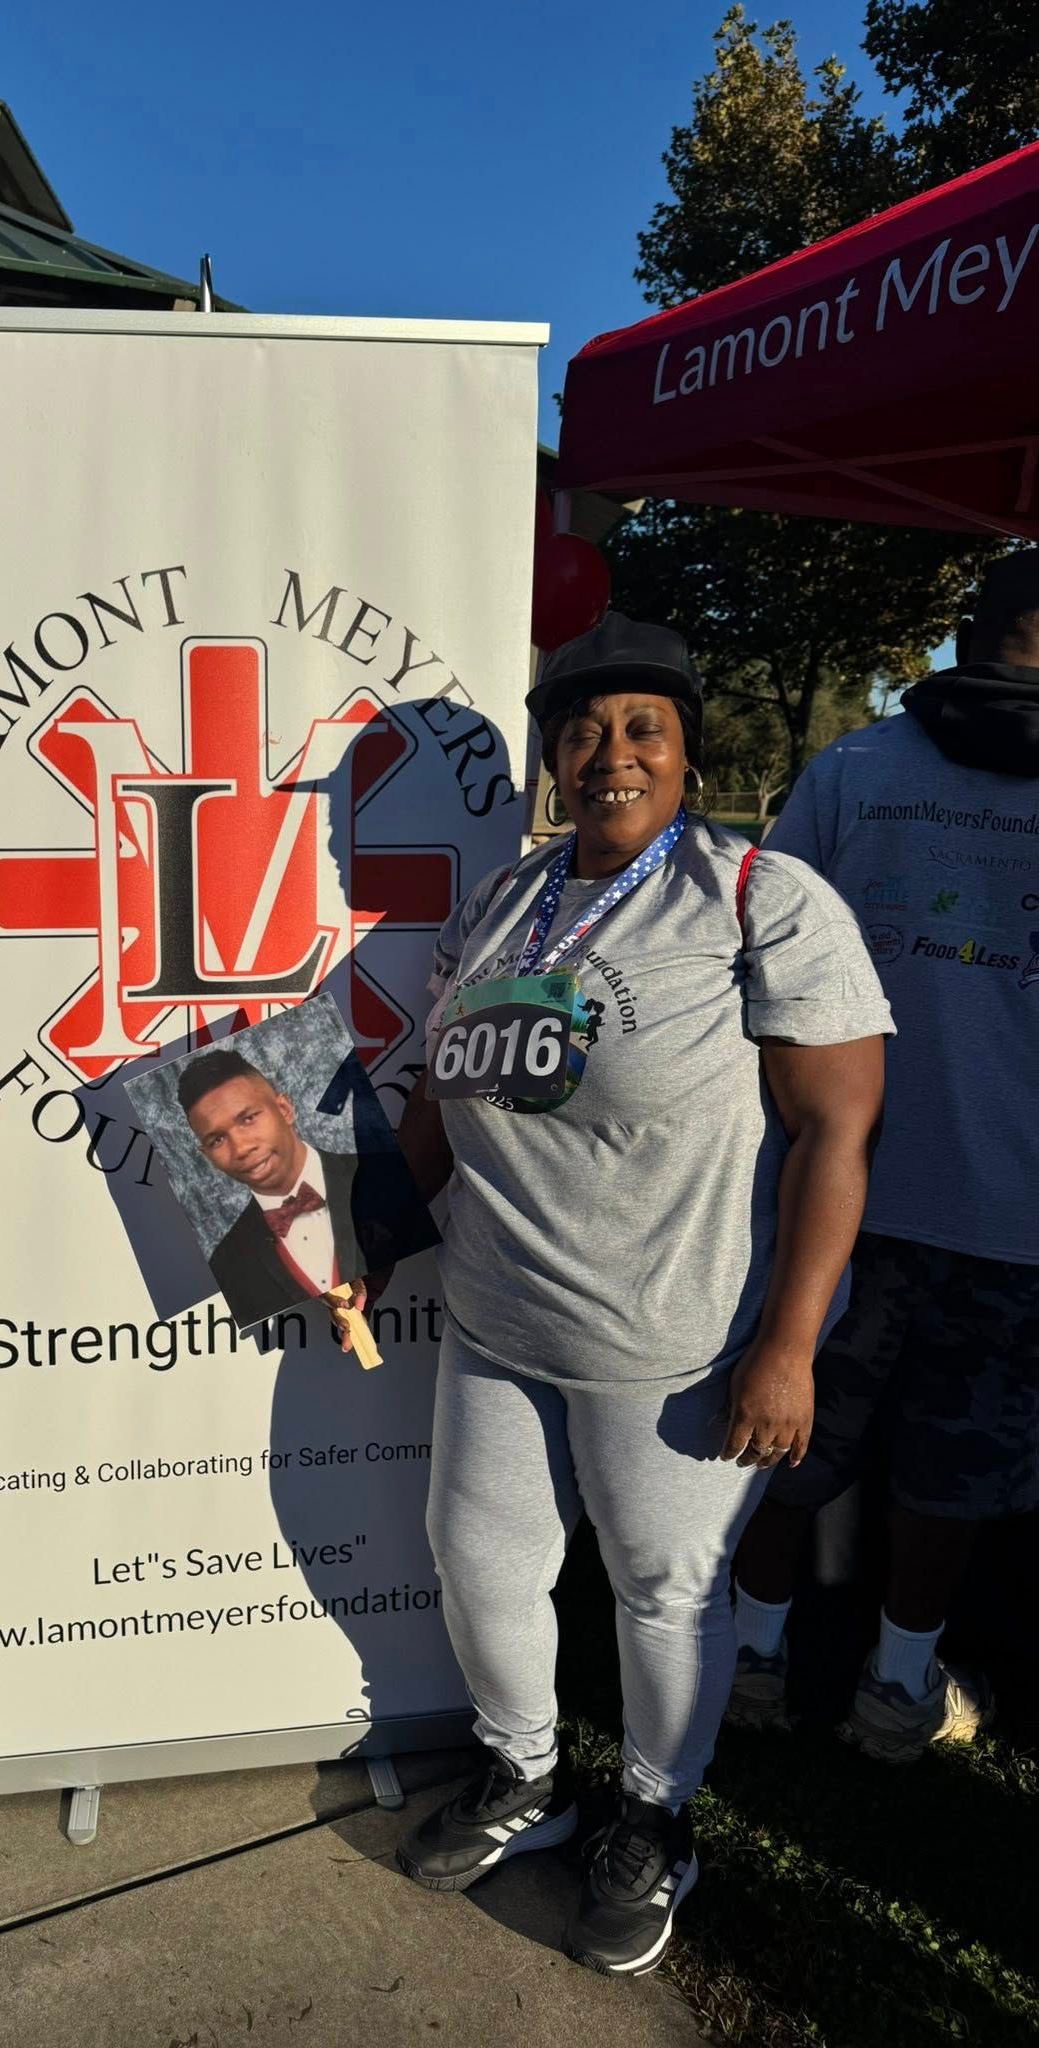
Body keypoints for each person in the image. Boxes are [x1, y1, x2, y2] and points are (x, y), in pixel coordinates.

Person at [353, 613, 891, 1976]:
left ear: (688, 752)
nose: (610, 753)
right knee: (480, 1562)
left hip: (678, 1336)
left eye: (641, 727)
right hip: (495, 1315)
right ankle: (525, 1779)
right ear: (551, 757)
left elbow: (837, 1132)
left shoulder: (756, 893)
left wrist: (788, 1344)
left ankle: (655, 1816)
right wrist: (368, 1226)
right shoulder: (502, 899)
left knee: (662, 1589)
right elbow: (438, 1093)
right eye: (583, 729)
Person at [728, 551, 1039, 1762]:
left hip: (830, 1183)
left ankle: (751, 1654)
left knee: (787, 1427)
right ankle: (898, 1685)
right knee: (951, 1465)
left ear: (965, 635)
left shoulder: (855, 768)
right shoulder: (854, 766)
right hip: (1011, 1203)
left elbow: (756, 947)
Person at [178, 1046, 436, 1326]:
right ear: (206, 1156)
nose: (241, 1147)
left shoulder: (381, 1181)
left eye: (248, 1118)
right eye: (217, 1139)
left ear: (285, 1109)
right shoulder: (228, 1262)